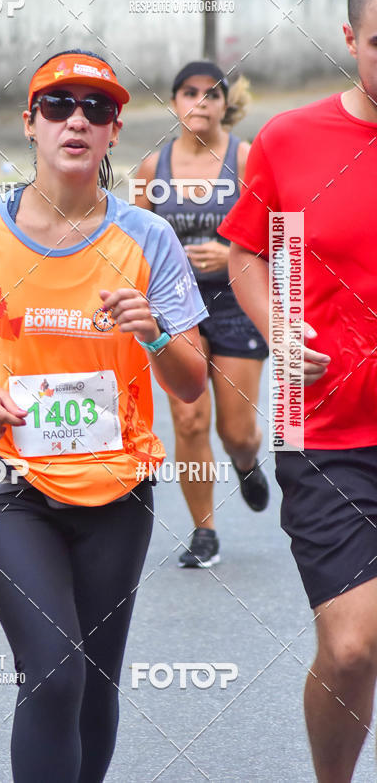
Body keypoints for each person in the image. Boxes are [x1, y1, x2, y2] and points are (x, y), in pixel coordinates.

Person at [0, 49, 208, 783]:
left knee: (93, 682)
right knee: (53, 672)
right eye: (58, 106)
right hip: (5, 484)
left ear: (114, 130)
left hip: (117, 486)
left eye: (95, 108)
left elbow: (189, 381)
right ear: (30, 123)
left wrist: (156, 329)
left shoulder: (147, 239)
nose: (75, 120)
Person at [218, 0, 377, 783]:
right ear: (351, 40)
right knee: (351, 647)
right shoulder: (290, 140)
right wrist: (277, 328)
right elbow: (246, 251)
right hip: (331, 434)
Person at [134, 61, 269, 569]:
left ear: (224, 104)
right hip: (174, 307)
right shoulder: (152, 168)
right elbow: (133, 238)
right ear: (175, 102)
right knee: (189, 421)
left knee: (235, 430)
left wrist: (228, 247)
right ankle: (204, 531)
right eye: (189, 92)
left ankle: (245, 460)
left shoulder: (247, 158)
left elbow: (276, 229)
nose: (201, 101)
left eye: (211, 94)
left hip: (234, 301)